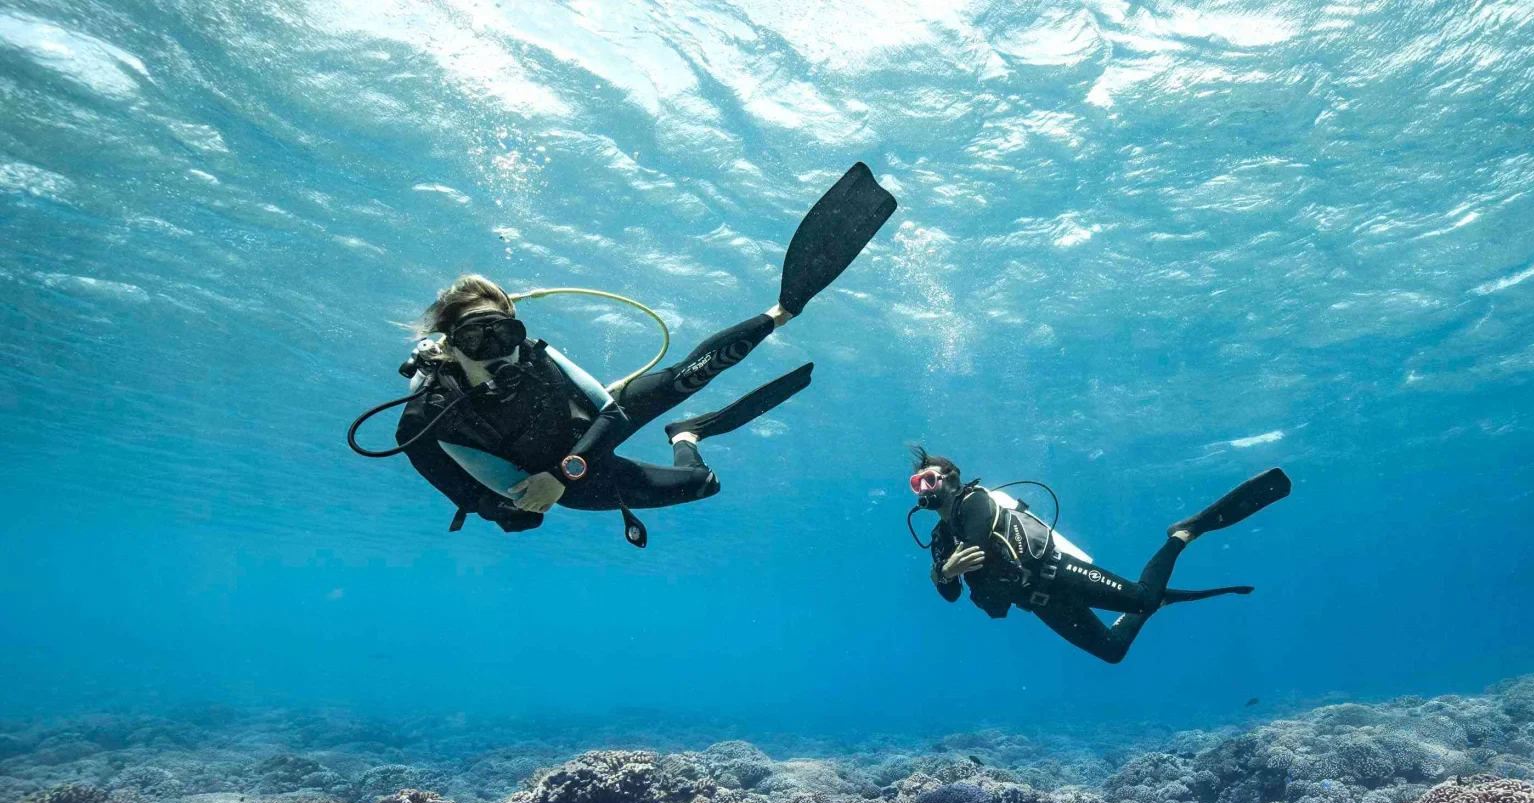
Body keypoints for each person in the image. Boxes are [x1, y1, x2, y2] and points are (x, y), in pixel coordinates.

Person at [381, 163, 897, 540]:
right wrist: (512, 506)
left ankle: (780, 311)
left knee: (680, 379)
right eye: (477, 339)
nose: (499, 352)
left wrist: (563, 473)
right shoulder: (428, 416)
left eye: (506, 335)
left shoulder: (535, 356)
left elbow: (610, 410)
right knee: (703, 484)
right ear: (451, 345)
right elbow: (473, 493)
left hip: (584, 445)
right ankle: (688, 435)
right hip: (567, 485)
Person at [910, 448, 1290, 663]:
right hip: (1038, 602)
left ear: (953, 479)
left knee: (1142, 598)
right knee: (1112, 652)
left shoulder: (974, 500)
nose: (922, 489)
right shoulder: (940, 536)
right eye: (916, 484)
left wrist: (944, 570)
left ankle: (1181, 535)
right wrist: (942, 574)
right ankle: (1156, 600)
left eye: (929, 479)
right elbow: (951, 593)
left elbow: (975, 542)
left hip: (1058, 574)